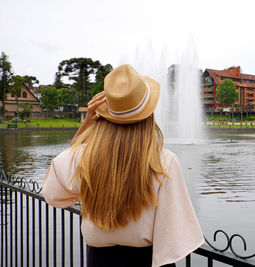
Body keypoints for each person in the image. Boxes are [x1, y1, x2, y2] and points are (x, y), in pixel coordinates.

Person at [42, 65, 204, 267]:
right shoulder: (163, 161)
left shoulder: (82, 156)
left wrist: (86, 127)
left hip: (98, 261)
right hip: (147, 261)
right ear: (149, 115)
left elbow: (52, 193)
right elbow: (175, 233)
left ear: (102, 114)